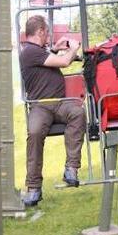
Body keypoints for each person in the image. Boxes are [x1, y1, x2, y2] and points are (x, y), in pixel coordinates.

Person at [19, 15, 85, 206]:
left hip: (60, 102)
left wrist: (55, 49)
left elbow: (49, 58)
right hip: (41, 105)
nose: (48, 35)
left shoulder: (38, 52)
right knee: (34, 133)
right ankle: (33, 187)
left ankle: (71, 167)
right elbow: (64, 63)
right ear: (40, 31)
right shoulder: (29, 52)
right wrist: (72, 49)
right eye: (47, 32)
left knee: (78, 113)